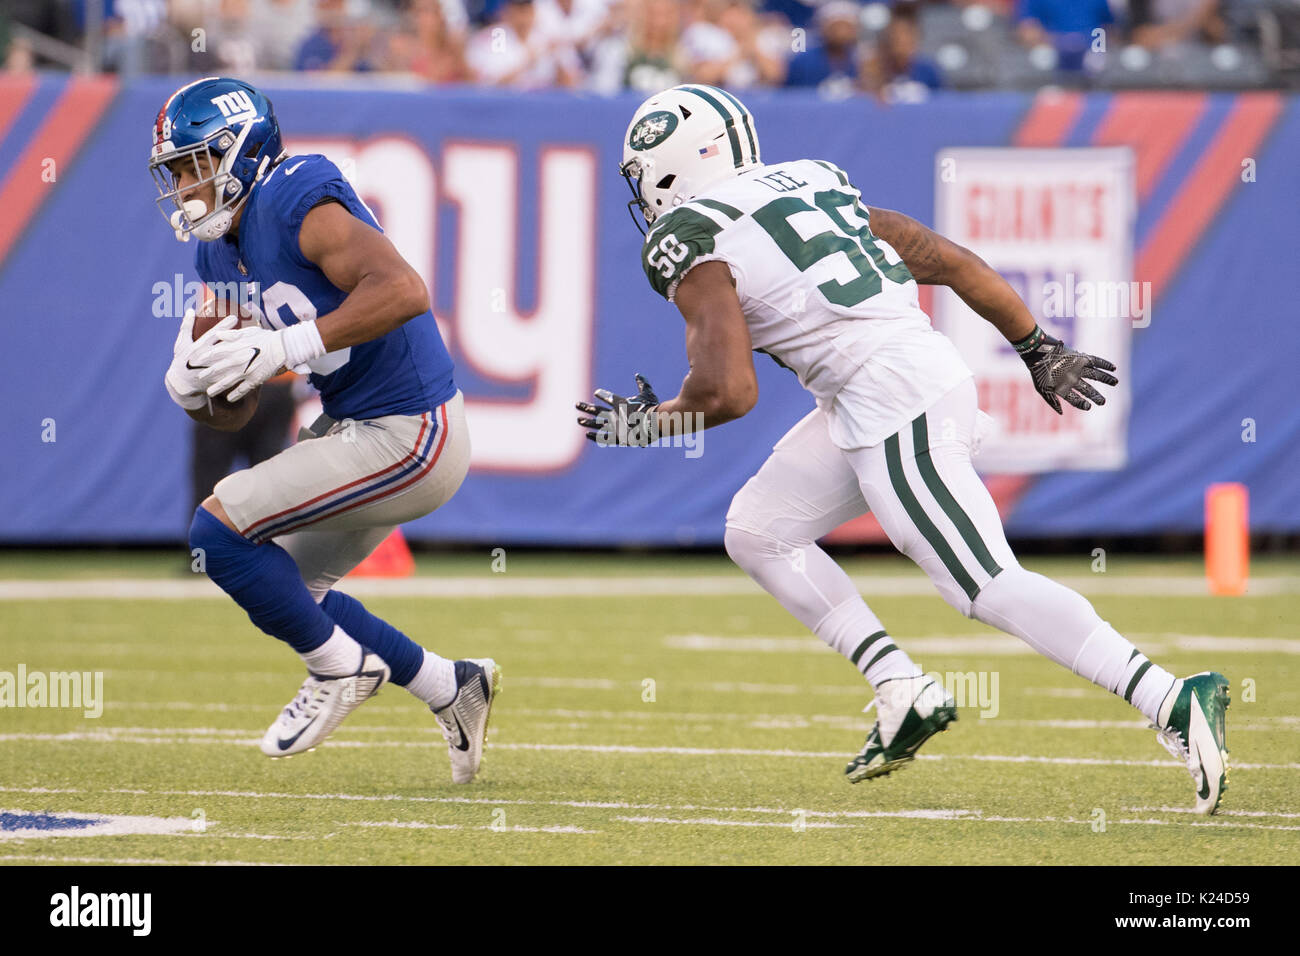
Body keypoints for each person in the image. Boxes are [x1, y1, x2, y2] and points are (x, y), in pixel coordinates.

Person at [581, 85, 1229, 814]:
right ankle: (902, 688)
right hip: (887, 387)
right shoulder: (812, 182)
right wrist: (1036, 345)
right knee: (759, 531)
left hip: (893, 399)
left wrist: (649, 423)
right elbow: (944, 258)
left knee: (982, 584)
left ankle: (1171, 696)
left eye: (642, 173)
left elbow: (728, 391)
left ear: (669, 167)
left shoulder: (690, 238)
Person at [151, 77, 499, 783]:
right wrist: (196, 389)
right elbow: (237, 412)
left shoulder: (294, 195)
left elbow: (404, 291)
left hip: (414, 429)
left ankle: (341, 671)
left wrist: (282, 348)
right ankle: (449, 684)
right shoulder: (218, 254)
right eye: (176, 170)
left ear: (240, 151)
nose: (185, 184)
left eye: (195, 163)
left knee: (216, 533)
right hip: (360, 427)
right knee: (282, 584)